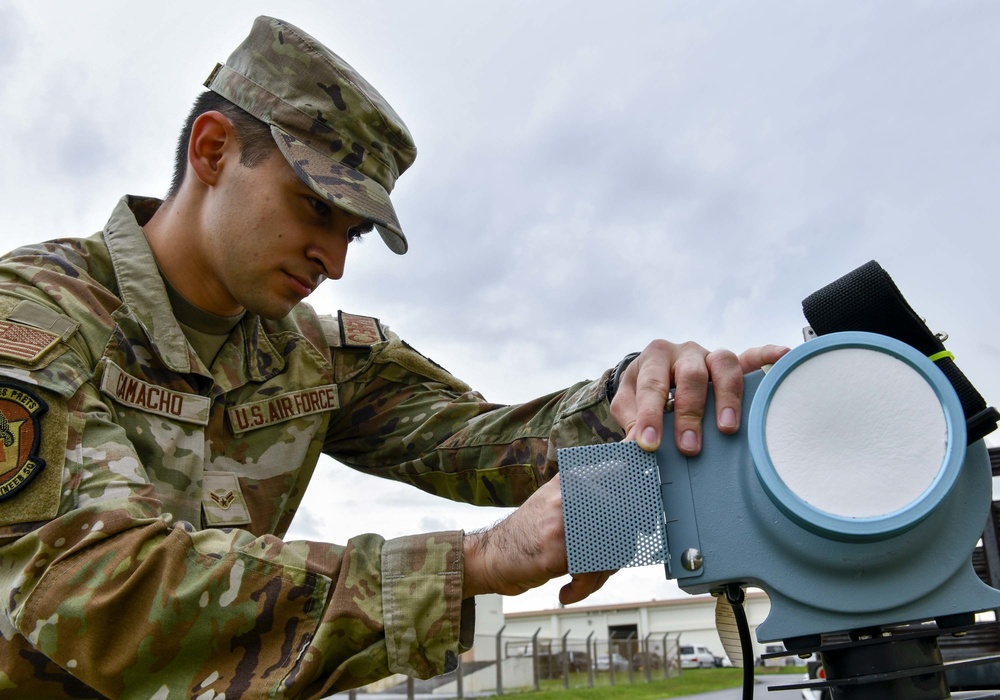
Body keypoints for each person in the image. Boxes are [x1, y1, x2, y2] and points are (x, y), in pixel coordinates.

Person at [0, 16, 786, 699]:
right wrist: (476, 565)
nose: (334, 263)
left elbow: (490, 445)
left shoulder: (317, 355)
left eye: (355, 233)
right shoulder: (34, 318)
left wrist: (649, 401)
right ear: (212, 151)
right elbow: (91, 590)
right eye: (317, 208)